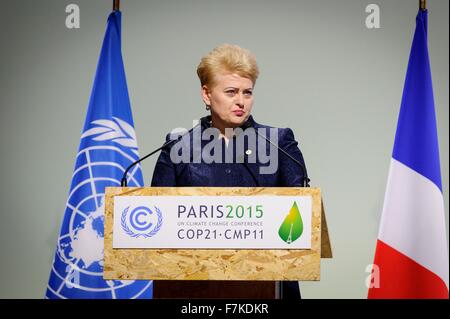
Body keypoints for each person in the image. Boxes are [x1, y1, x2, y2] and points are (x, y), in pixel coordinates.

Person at [151, 44, 307, 299]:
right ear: (206, 94)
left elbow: (302, 211)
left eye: (247, 93)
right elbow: (158, 218)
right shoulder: (178, 145)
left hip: (267, 284)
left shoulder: (278, 143)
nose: (241, 101)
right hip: (194, 287)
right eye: (231, 92)